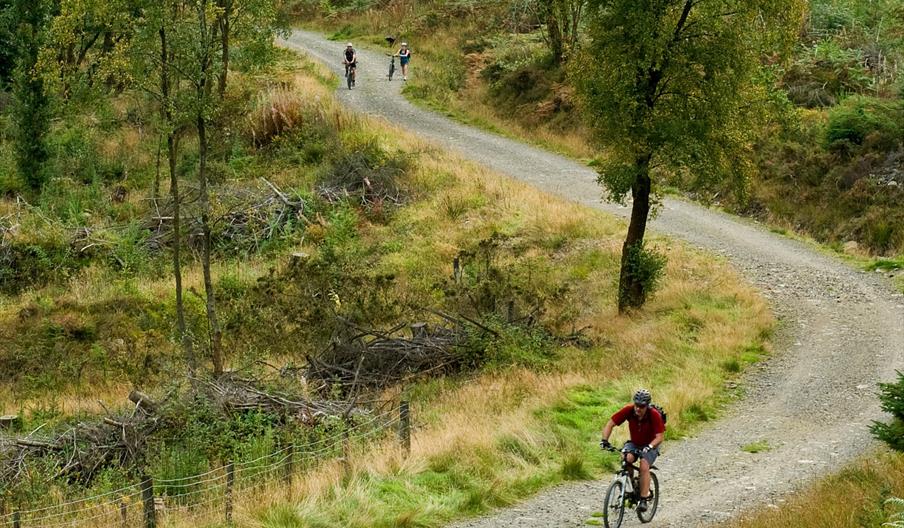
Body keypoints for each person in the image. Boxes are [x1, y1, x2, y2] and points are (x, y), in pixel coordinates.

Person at [600, 389, 664, 513]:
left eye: (641, 406)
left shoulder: (654, 414)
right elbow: (610, 424)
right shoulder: (629, 410)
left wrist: (650, 447)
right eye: (636, 405)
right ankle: (628, 488)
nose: (638, 409)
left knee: (644, 465)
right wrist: (604, 440)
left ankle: (644, 499)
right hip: (635, 443)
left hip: (651, 444)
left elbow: (660, 437)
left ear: (647, 406)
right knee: (626, 458)